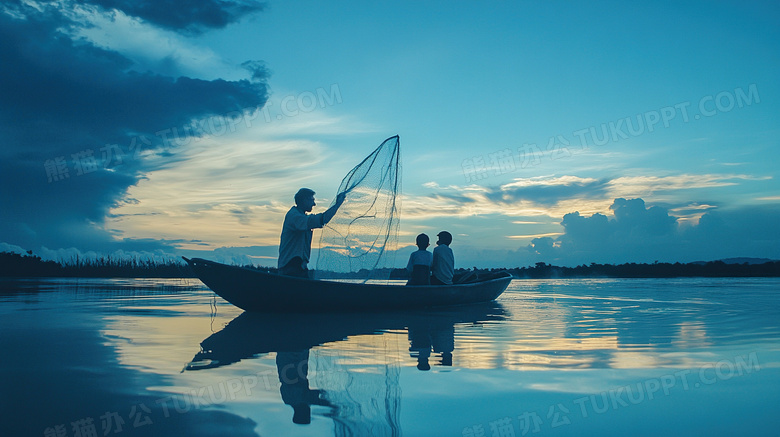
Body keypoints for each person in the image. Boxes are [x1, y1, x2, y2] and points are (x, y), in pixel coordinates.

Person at [278, 188, 346, 278]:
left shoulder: (300, 216)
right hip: (290, 268)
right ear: (304, 200)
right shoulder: (294, 216)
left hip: (299, 268)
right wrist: (337, 205)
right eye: (312, 200)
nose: (314, 204)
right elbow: (321, 220)